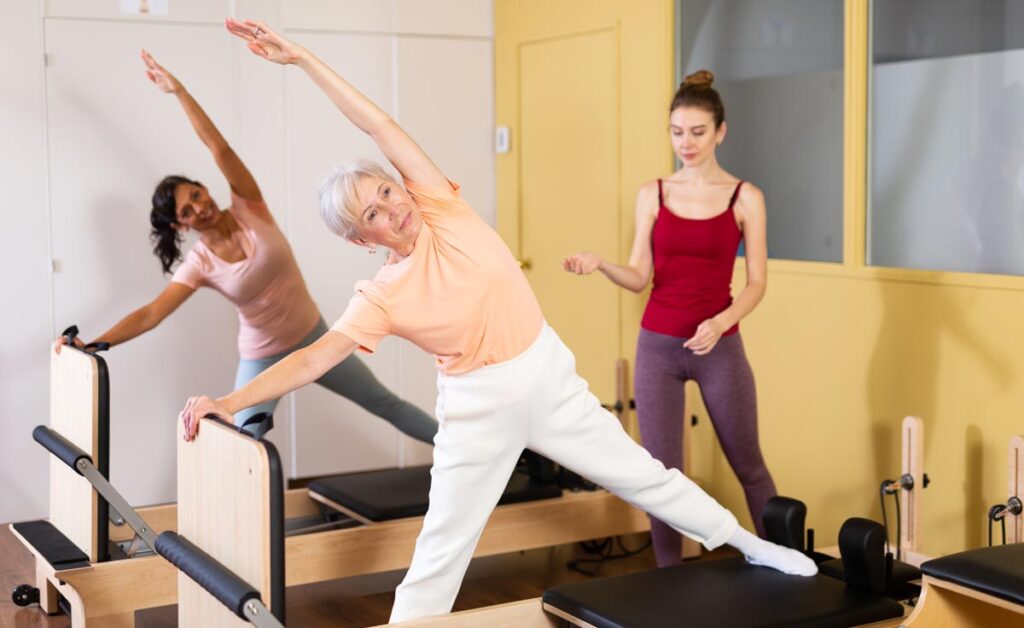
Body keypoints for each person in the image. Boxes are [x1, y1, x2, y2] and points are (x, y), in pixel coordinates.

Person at [181, 21, 816, 623]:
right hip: (477, 407)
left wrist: (303, 59)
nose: (389, 209)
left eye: (384, 192)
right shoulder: (379, 294)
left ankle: (750, 545)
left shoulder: (440, 206)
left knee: (649, 477)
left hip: (547, 377)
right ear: (360, 240)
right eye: (370, 215)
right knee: (441, 549)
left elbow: (376, 122)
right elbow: (313, 356)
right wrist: (229, 400)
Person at [55, 50, 436, 443]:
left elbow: (218, 148)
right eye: (188, 210)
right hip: (262, 355)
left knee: (385, 404)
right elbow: (152, 313)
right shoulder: (200, 264)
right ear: (180, 224)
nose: (200, 207)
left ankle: (488, 459)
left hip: (313, 335)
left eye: (196, 195)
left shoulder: (249, 206)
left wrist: (179, 91)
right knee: (241, 437)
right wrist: (96, 343)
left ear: (204, 188)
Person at [564, 70, 777, 567]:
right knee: (661, 474)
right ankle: (668, 576)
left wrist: (721, 323)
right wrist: (601, 265)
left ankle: (783, 562)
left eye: (698, 132)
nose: (687, 142)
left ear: (720, 131)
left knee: (749, 465)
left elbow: (757, 282)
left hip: (718, 347)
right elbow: (640, 276)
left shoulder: (746, 197)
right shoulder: (652, 194)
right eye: (677, 132)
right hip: (657, 348)